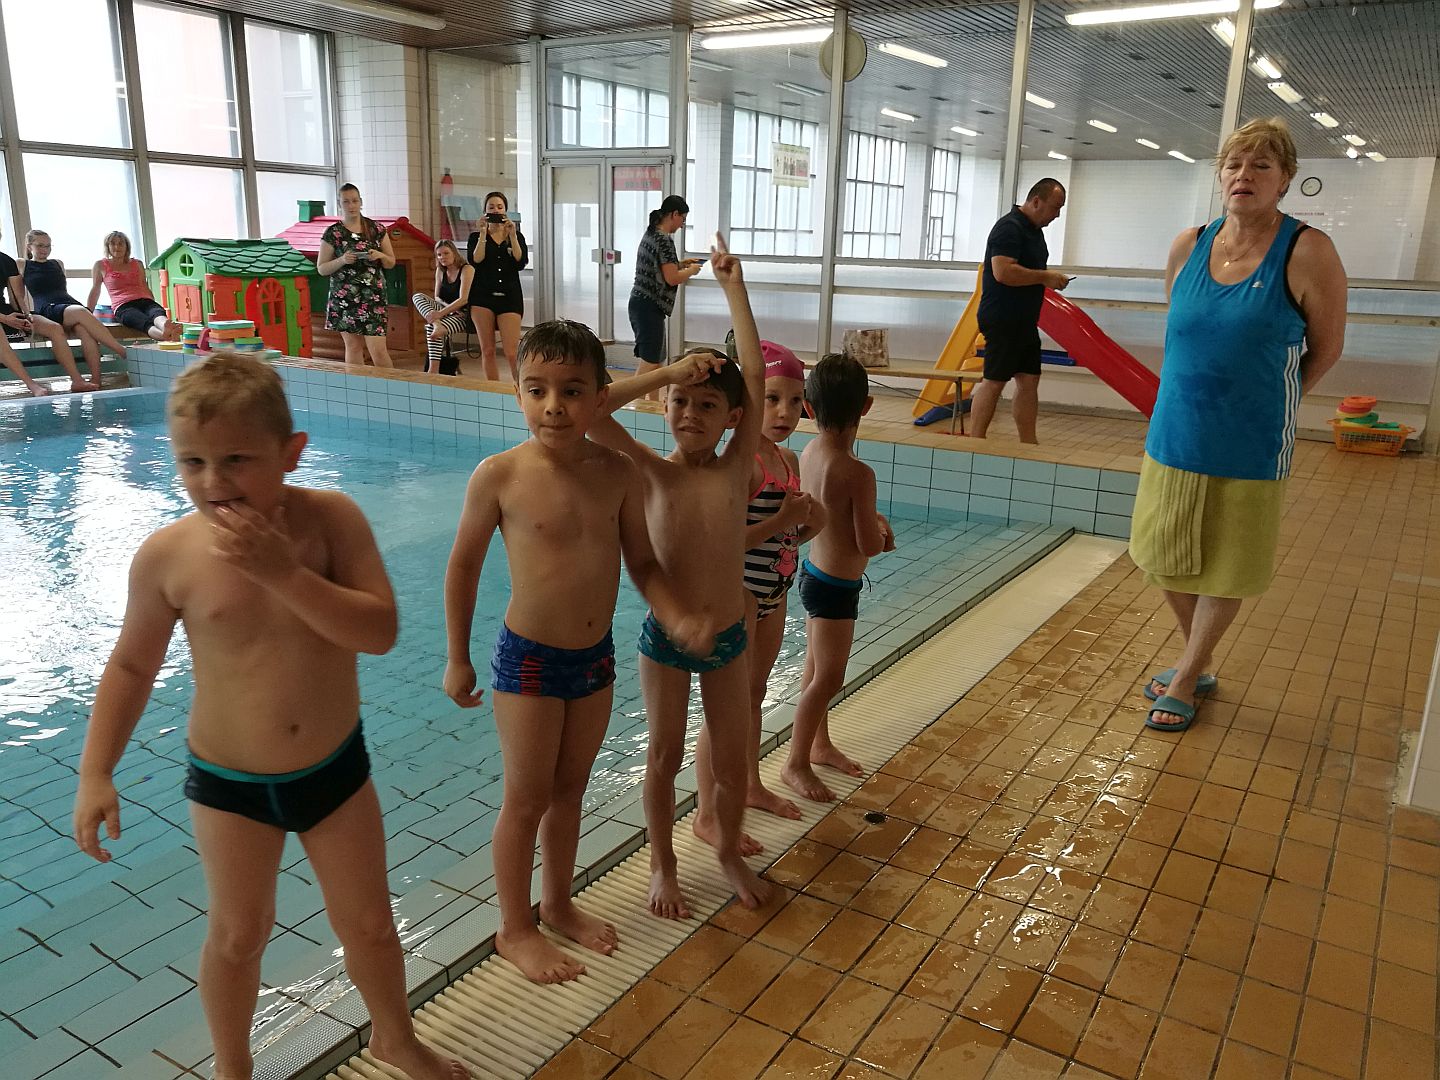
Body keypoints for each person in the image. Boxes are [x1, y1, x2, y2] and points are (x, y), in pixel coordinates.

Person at [70, 353, 468, 1080]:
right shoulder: (168, 557)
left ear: (291, 453)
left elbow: (379, 632)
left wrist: (283, 573)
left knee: (370, 924)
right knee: (237, 936)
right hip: (230, 785)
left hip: (334, 773)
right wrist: (96, 772)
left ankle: (395, 1038)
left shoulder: (332, 522)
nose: (212, 482)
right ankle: (233, 1068)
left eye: (236, 460)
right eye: (192, 462)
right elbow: (130, 667)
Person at [443, 321, 711, 985]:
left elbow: (642, 562)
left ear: (598, 398)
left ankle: (558, 904)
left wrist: (676, 615)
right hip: (529, 660)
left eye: (571, 391)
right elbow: (463, 568)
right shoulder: (499, 475)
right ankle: (515, 927)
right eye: (536, 390)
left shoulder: (617, 473)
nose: (553, 406)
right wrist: (457, 655)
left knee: (570, 792)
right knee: (526, 798)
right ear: (518, 393)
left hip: (594, 660)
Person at [1131, 117, 1346, 734]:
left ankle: (1187, 675)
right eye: (1233, 164)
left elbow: (1327, 347)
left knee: (1227, 562)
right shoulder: (1189, 245)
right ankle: (1195, 662)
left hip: (1250, 439)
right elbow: (1183, 330)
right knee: (1161, 553)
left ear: (1285, 180)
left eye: (1261, 165)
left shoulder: (1308, 251)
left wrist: (1274, 400)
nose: (1243, 175)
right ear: (1220, 175)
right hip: (1175, 429)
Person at [589, 238, 771, 920]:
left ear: (731, 419)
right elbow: (594, 410)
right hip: (664, 640)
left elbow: (755, 376)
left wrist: (732, 288)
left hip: (727, 636)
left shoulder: (736, 467)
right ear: (665, 404)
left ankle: (725, 850)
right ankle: (662, 864)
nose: (691, 414)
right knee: (663, 757)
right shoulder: (649, 470)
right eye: (680, 402)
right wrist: (667, 371)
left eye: (707, 405)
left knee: (732, 762)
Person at [784, 353, 896, 802]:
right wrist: (884, 535)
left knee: (815, 670)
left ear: (808, 408)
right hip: (836, 589)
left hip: (813, 573)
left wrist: (871, 521)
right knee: (828, 679)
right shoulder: (858, 472)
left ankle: (819, 744)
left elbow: (827, 515)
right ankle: (795, 762)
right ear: (866, 407)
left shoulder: (810, 452)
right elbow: (867, 544)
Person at [740, 341, 827, 820]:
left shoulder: (788, 461)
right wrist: (783, 522)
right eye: (771, 398)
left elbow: (792, 532)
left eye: (795, 401)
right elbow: (722, 544)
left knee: (756, 691)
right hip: (741, 592)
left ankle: (749, 783)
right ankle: (730, 791)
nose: (785, 412)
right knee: (734, 699)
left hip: (775, 592)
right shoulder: (741, 464)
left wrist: (810, 524)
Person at [969, 179, 1071, 444]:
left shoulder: (1035, 232)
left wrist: (1047, 278)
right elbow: (1003, 272)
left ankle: (1028, 441)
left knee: (1029, 379)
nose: (1057, 215)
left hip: (1024, 321)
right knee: (994, 380)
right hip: (1003, 318)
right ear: (1036, 201)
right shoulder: (1009, 228)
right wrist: (1045, 277)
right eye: (1055, 207)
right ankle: (974, 441)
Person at [0, 226, 98, 393]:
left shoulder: (6, 261)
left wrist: (26, 316)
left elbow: (16, 297)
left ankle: (77, 381)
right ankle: (32, 385)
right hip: (3, 318)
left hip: (6, 311)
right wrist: (5, 319)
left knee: (54, 328)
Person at [18, 229, 129, 377]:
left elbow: (62, 290)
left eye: (48, 246)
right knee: (81, 311)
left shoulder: (58, 263)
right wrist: (25, 315)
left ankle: (96, 380)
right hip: (47, 308)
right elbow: (18, 295)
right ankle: (121, 350)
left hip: (67, 305)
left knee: (86, 332)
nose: (45, 249)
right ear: (29, 246)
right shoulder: (22, 264)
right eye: (40, 246)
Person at [628, 195, 704, 394]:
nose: (682, 225)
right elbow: (671, 278)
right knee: (650, 363)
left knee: (656, 362)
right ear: (674, 214)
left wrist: (682, 264)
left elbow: (660, 269)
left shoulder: (651, 233)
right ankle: (632, 401)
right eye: (683, 219)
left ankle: (650, 405)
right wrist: (691, 271)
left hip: (641, 305)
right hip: (648, 307)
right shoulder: (664, 240)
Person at [318, 183, 397, 369]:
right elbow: (322, 268)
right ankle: (356, 385)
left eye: (354, 201)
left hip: (373, 297)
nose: (351, 205)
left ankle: (391, 385)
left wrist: (380, 255)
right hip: (345, 298)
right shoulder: (333, 233)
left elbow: (391, 262)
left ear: (361, 202)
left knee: (378, 349)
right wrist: (342, 260)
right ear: (340, 204)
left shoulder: (377, 229)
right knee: (353, 347)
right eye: (346, 202)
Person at [465, 192, 528, 383]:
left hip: (509, 296)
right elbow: (476, 259)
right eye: (491, 207)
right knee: (488, 349)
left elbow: (520, 261)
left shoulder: (515, 235)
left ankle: (520, 388)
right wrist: (483, 233)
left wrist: (512, 235)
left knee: (511, 351)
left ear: (505, 210)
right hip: (482, 297)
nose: (496, 211)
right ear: (485, 211)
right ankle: (492, 388)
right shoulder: (475, 236)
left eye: (500, 207)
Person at [86, 231, 181, 342]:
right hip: (123, 306)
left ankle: (165, 326)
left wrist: (152, 302)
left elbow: (144, 286)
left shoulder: (137, 264)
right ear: (108, 246)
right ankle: (165, 335)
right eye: (113, 243)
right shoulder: (100, 265)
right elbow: (95, 290)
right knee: (141, 320)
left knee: (156, 312)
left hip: (145, 301)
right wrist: (88, 313)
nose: (117, 247)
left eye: (121, 243)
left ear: (127, 246)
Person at [412, 240, 473, 376]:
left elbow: (464, 299)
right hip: (445, 310)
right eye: (439, 255)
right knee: (417, 296)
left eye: (446, 253)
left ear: (454, 253)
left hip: (463, 314)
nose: (442, 257)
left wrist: (443, 312)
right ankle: (437, 325)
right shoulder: (440, 270)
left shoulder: (466, 269)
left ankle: (433, 370)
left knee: (430, 328)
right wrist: (444, 311)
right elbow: (437, 297)